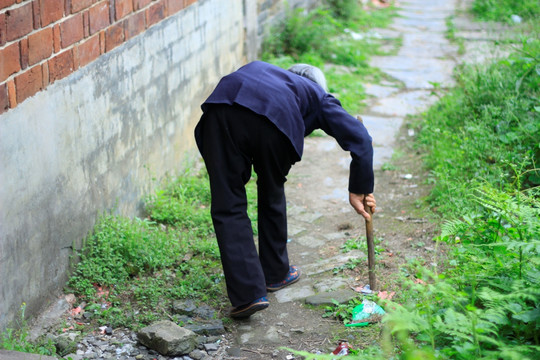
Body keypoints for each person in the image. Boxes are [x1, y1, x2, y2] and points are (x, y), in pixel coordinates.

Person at [194, 61, 376, 318]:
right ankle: (275, 273)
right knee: (271, 190)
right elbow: (361, 139)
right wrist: (359, 188)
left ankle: (248, 295)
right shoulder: (318, 95)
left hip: (220, 110)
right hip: (274, 119)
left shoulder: (268, 73)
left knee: (228, 204)